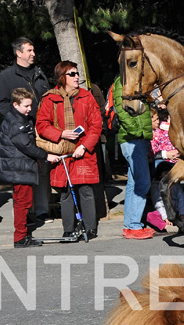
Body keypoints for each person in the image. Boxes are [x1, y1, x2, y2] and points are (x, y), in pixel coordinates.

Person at [36, 61, 102, 239]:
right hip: (62, 150)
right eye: (72, 74)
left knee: (86, 190)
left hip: (83, 152)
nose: (77, 77)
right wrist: (61, 133)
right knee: (64, 191)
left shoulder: (86, 96)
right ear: (61, 77)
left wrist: (84, 146)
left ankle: (90, 228)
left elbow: (96, 126)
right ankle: (68, 228)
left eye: (77, 73)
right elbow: (41, 125)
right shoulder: (50, 98)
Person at [0, 37, 52, 224]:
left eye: (33, 50)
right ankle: (24, 213)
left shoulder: (40, 74)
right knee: (22, 172)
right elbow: (1, 104)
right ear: (18, 53)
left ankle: (42, 210)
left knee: (42, 168)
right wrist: (17, 119)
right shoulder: (6, 76)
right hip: (19, 130)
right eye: (29, 50)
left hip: (42, 128)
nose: (33, 54)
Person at [0, 88, 60, 248]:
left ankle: (23, 233)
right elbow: (25, 145)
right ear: (15, 104)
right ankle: (20, 237)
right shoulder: (15, 122)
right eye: (26, 105)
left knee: (24, 201)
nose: (29, 109)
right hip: (18, 168)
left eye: (30, 105)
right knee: (22, 202)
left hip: (22, 166)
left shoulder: (21, 118)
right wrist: (46, 155)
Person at [112, 76, 158, 240]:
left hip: (138, 139)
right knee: (143, 181)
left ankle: (130, 226)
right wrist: (136, 132)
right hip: (133, 139)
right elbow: (121, 110)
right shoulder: (123, 82)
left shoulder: (137, 82)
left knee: (134, 182)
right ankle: (133, 226)